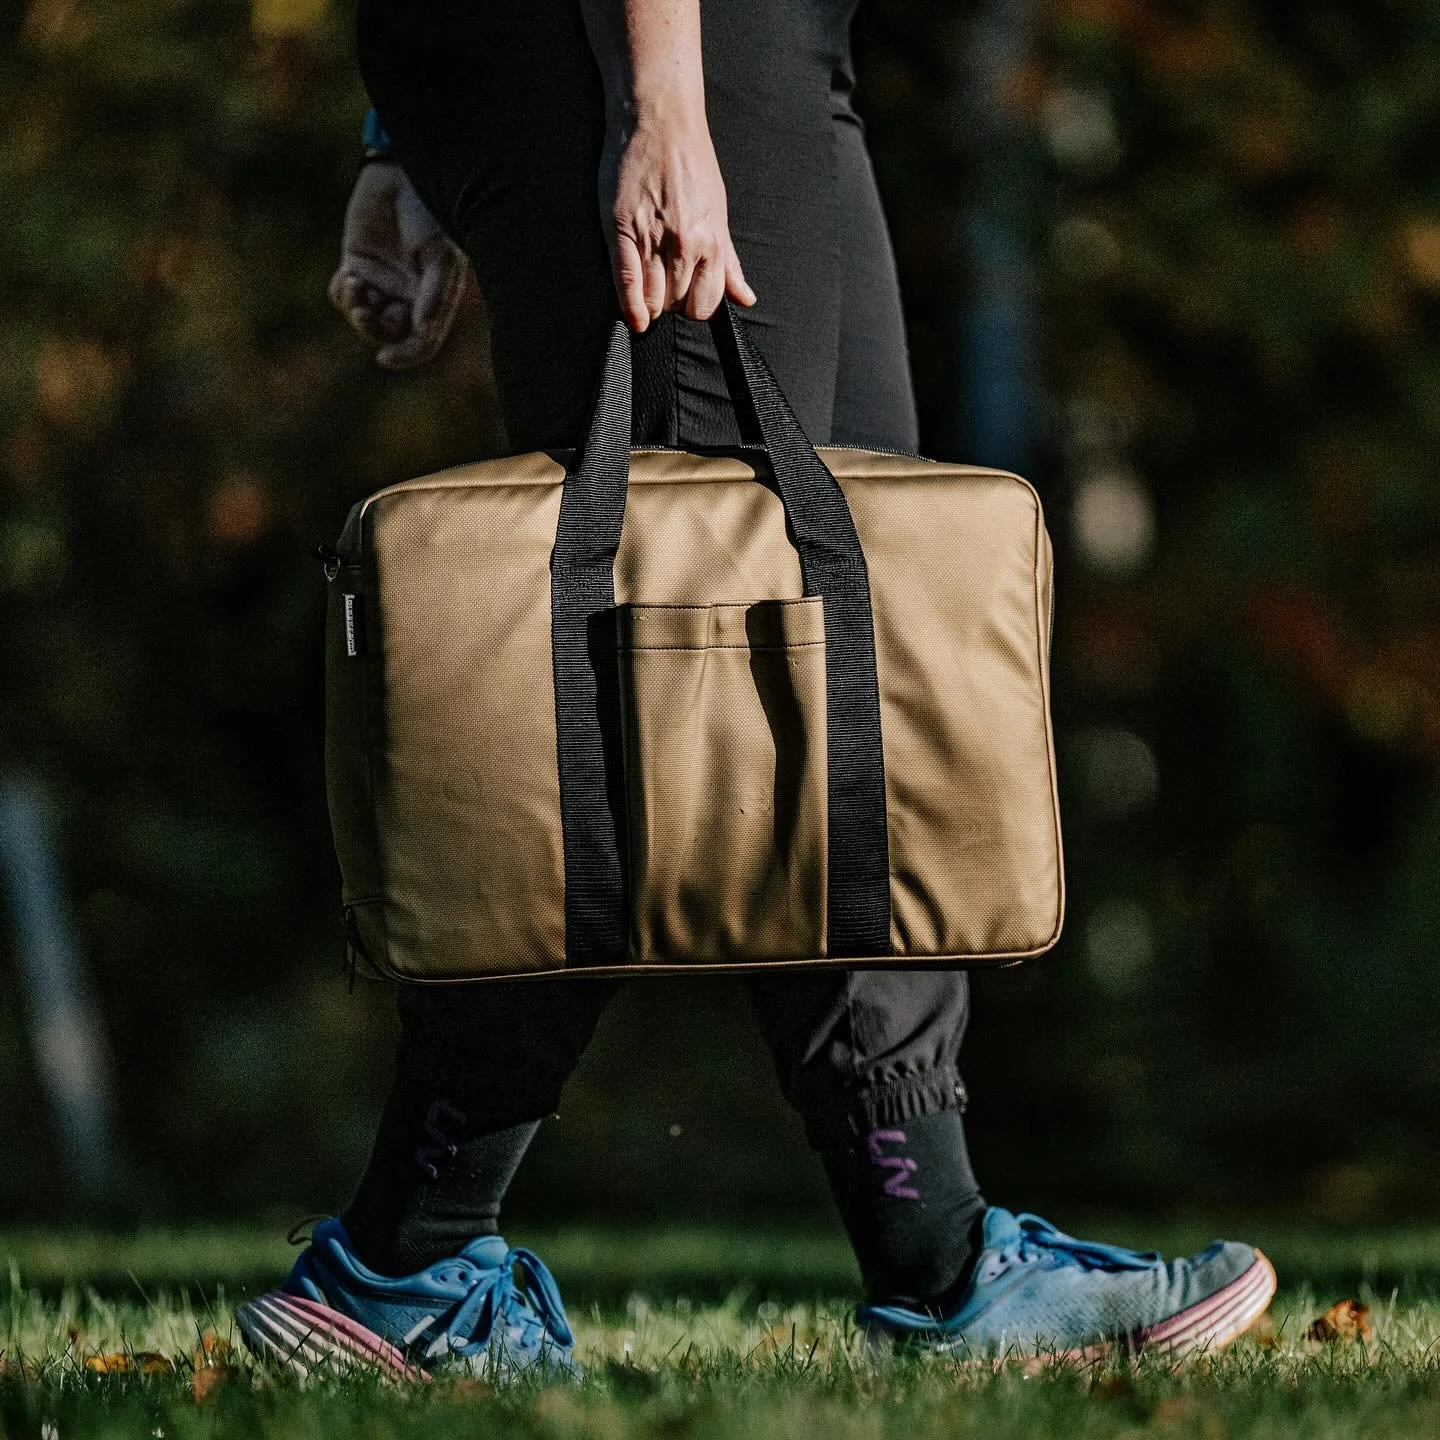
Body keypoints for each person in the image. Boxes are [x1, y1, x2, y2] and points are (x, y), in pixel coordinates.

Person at [235, 0, 1276, 1376]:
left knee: (849, 648)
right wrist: (660, 98)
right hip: (655, 42)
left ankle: (940, 1258)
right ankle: (403, 1259)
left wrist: (401, 140)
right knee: (664, 687)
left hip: (745, 46)